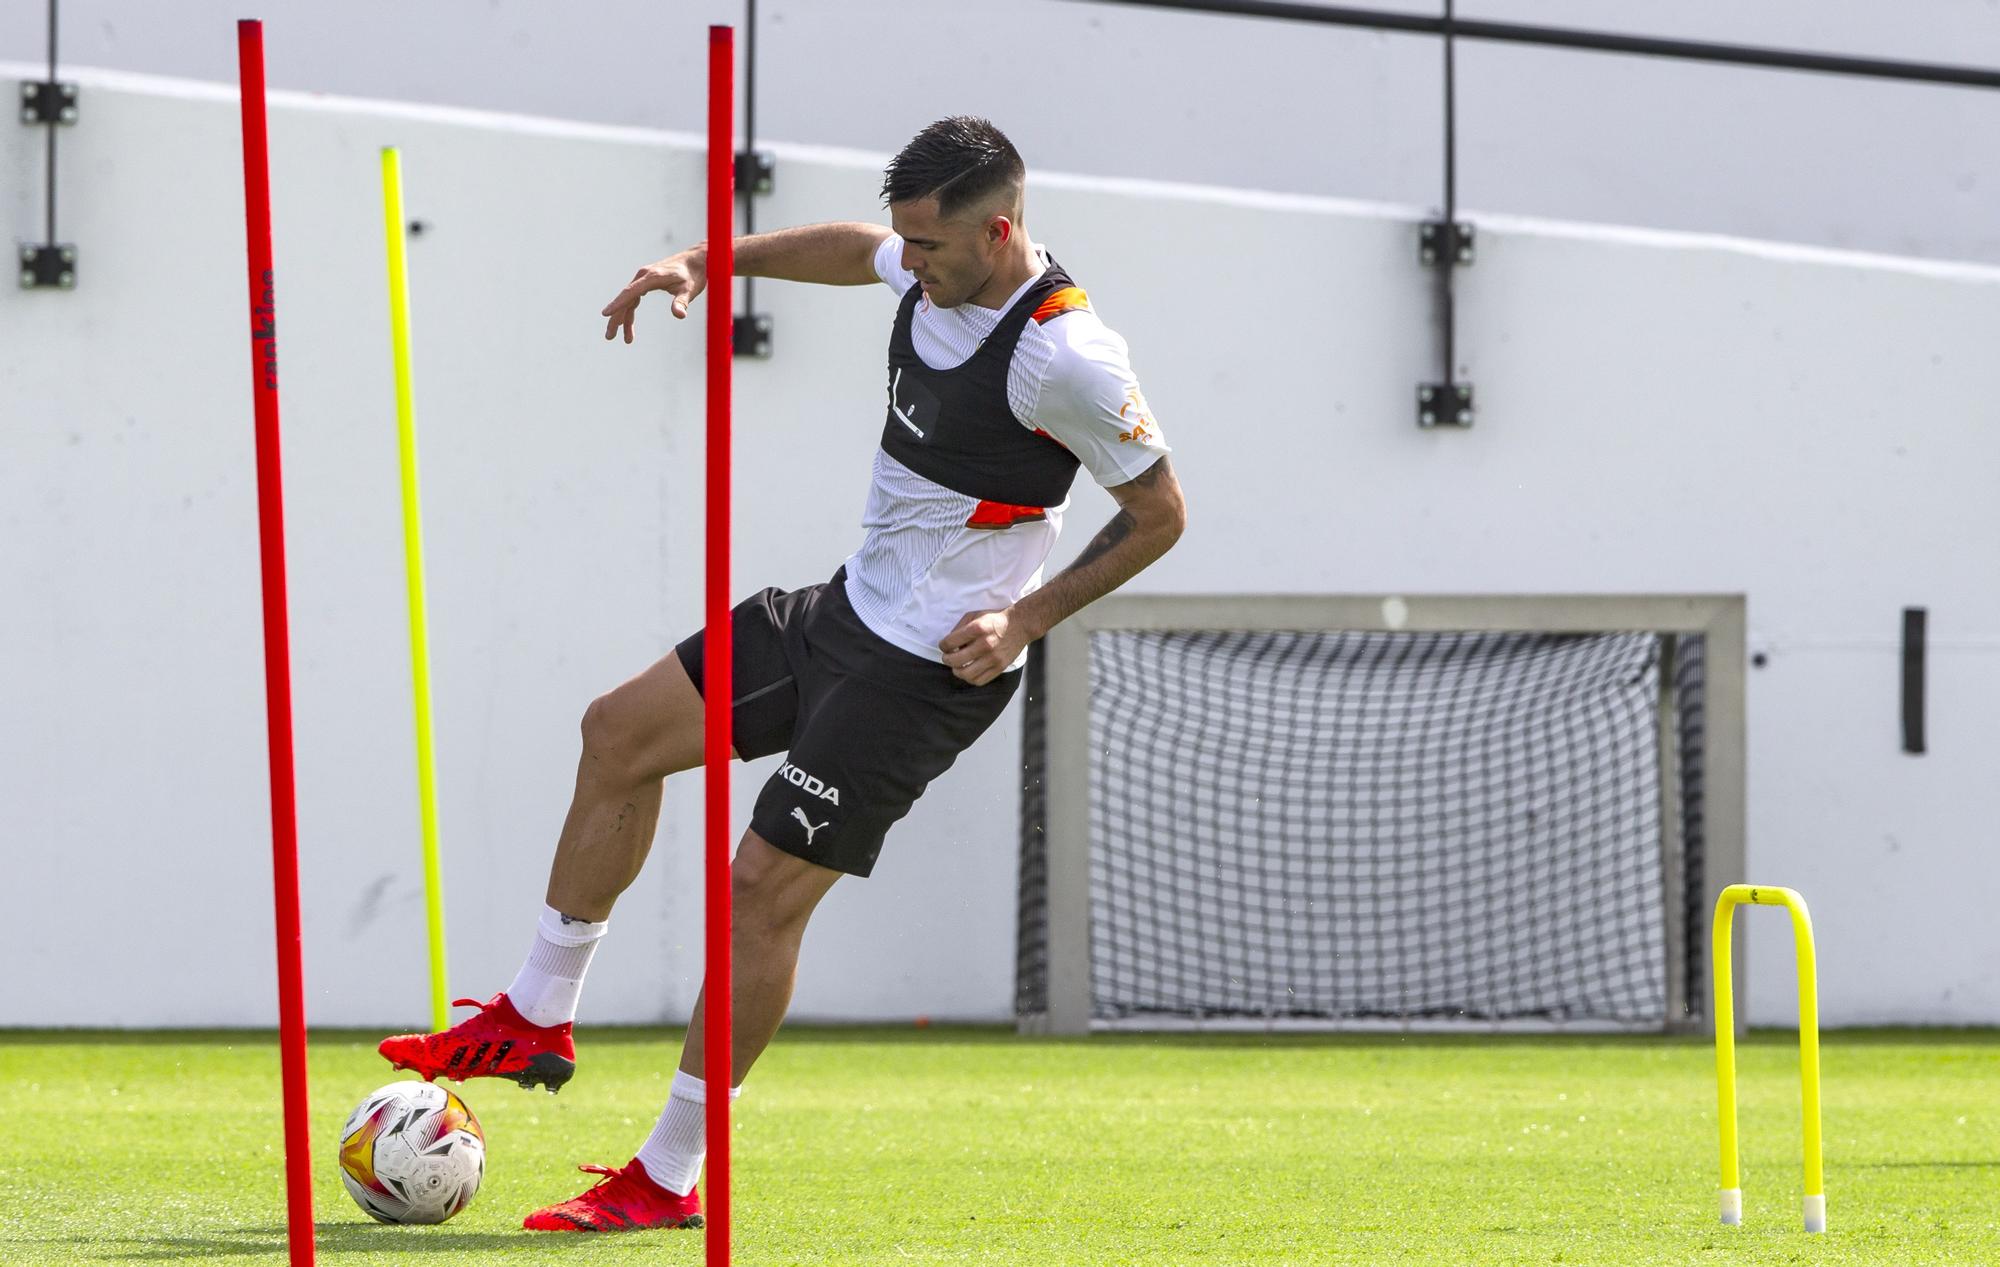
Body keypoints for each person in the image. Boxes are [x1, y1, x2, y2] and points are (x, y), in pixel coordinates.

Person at [376, 115, 1185, 1233]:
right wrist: (707, 261)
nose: (912, 263)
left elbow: (1158, 515)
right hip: (841, 611)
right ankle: (537, 1010)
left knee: (753, 892)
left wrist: (1024, 619)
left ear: (999, 232)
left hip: (926, 670)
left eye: (934, 249)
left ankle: (665, 1175)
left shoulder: (1067, 357)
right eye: (908, 243)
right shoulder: (920, 257)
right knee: (617, 732)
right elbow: (852, 248)